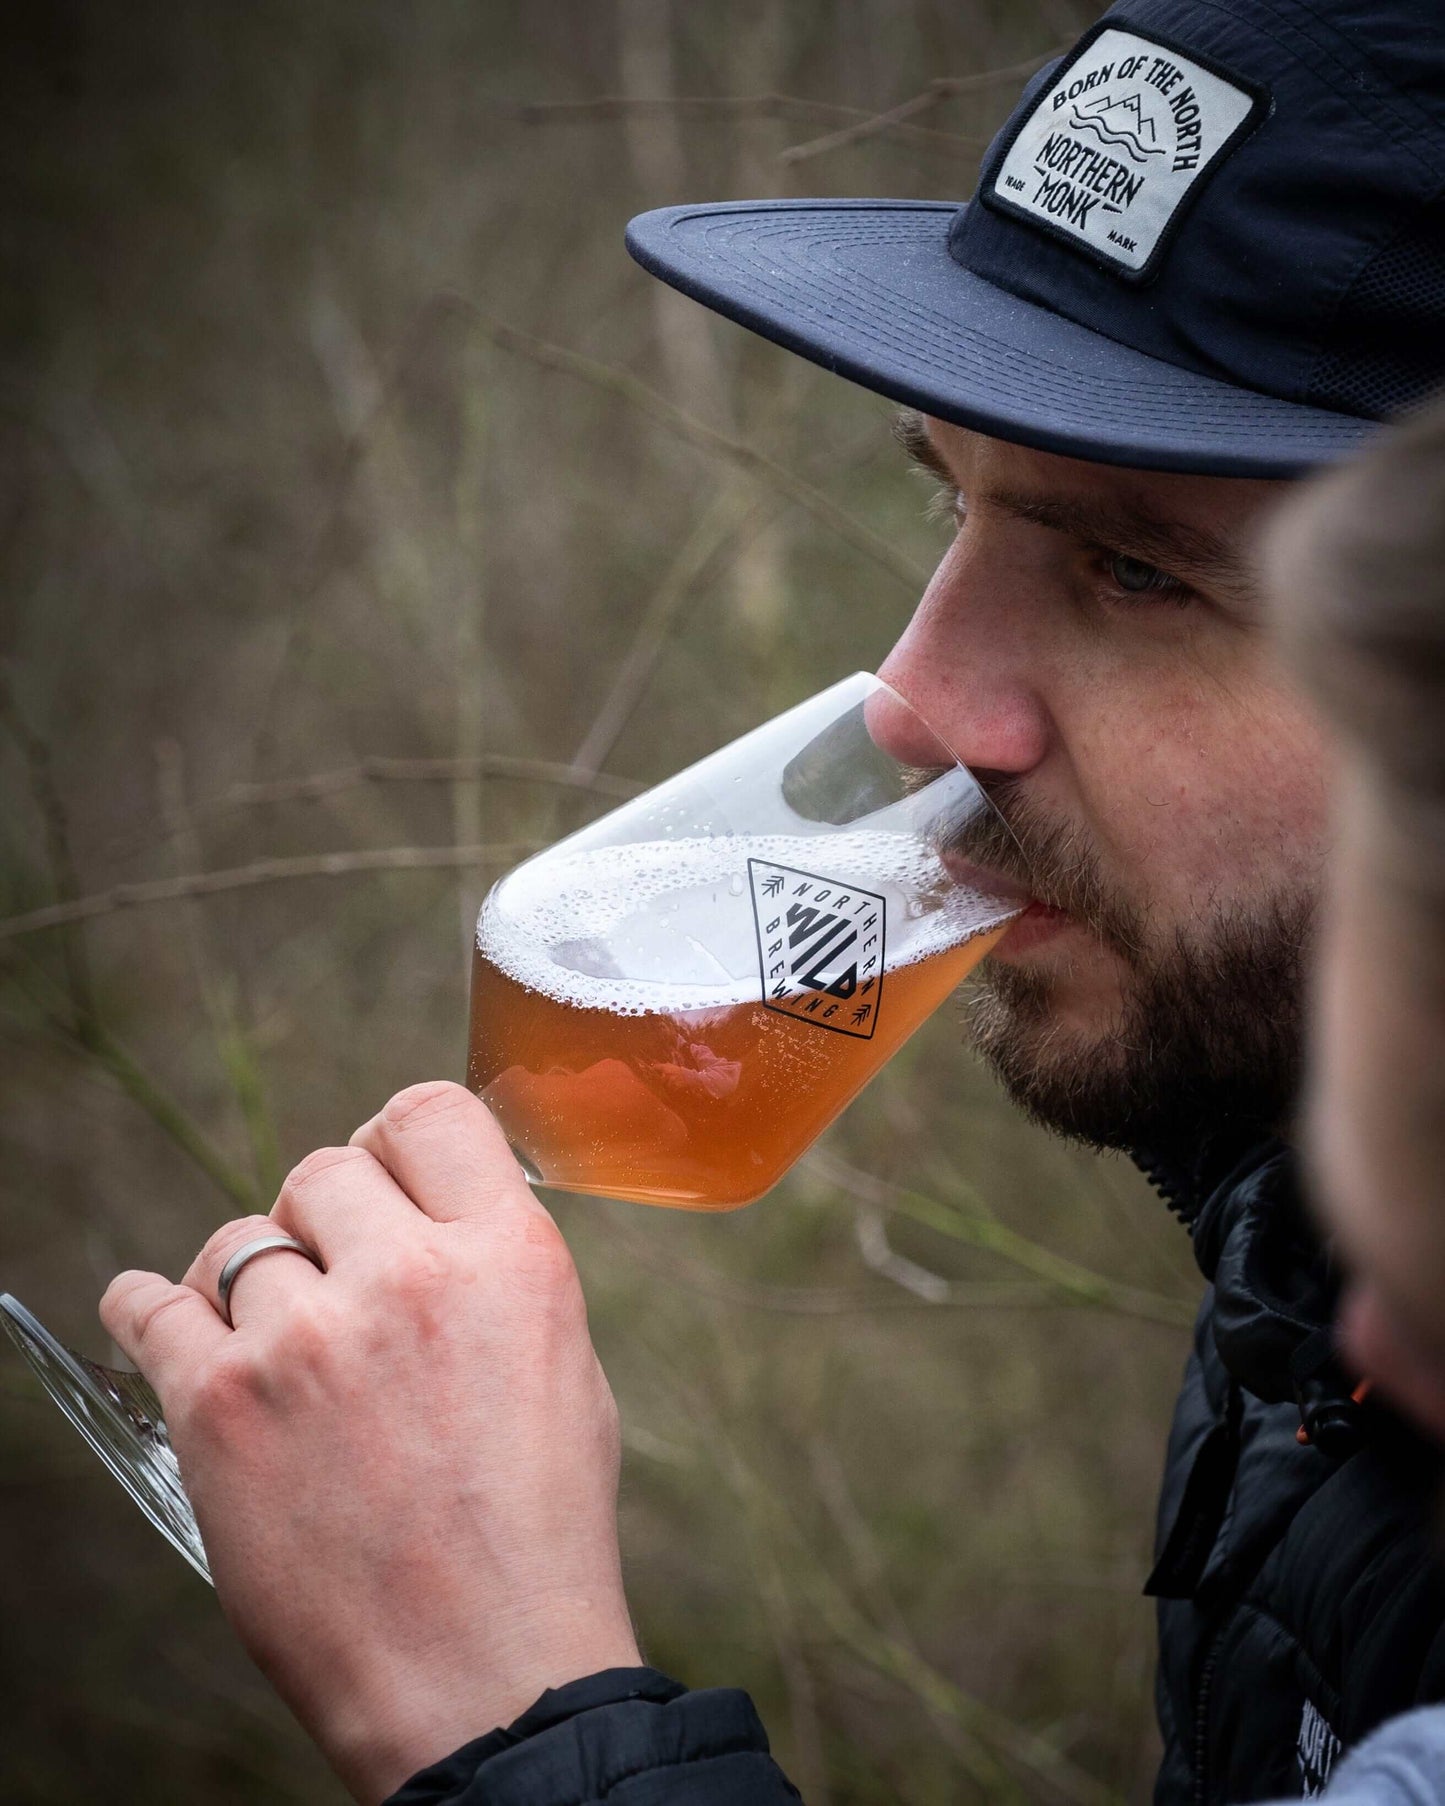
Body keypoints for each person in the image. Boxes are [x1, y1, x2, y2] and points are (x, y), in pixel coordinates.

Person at [97, 0, 1445, 1801]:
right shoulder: (1320, 1288)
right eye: (950, 507)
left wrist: (517, 1717)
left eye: (1131, 571)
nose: (913, 697)